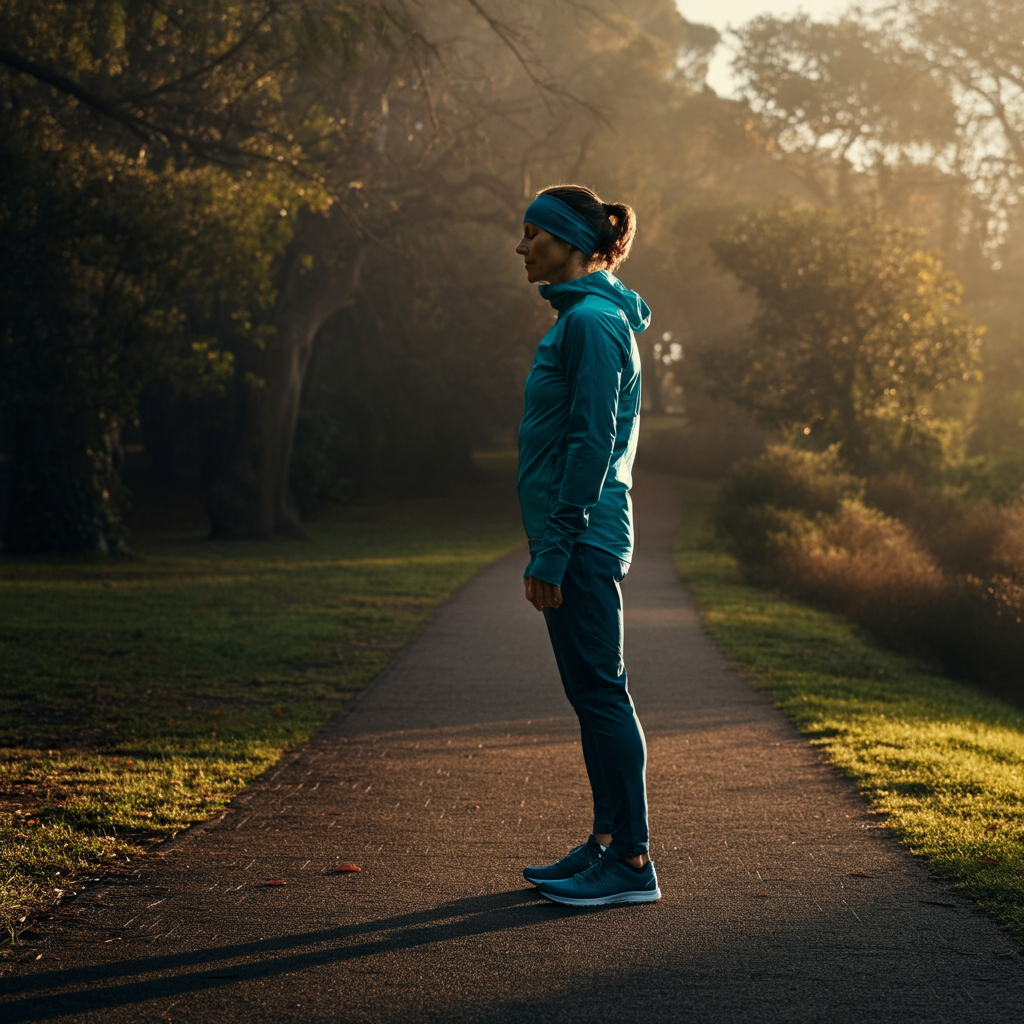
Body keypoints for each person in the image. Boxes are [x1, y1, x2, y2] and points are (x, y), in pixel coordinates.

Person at [515, 184, 659, 906]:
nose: (522, 247)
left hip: (583, 539)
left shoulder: (593, 324)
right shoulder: (586, 319)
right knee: (589, 695)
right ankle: (606, 842)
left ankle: (632, 862)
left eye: (533, 233)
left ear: (571, 242)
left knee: (603, 694)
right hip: (571, 538)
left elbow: (593, 442)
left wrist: (555, 545)